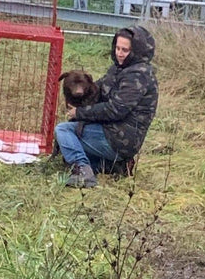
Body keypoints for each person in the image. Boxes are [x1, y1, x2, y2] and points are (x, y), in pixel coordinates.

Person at [54, 25, 159, 188]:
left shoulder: (138, 75)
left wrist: (80, 112)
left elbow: (115, 109)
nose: (119, 53)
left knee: (63, 131)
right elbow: (97, 88)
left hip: (120, 138)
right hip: (112, 132)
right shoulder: (120, 68)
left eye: (125, 49)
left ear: (136, 50)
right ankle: (116, 167)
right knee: (66, 153)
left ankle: (83, 171)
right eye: (117, 48)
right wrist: (76, 93)